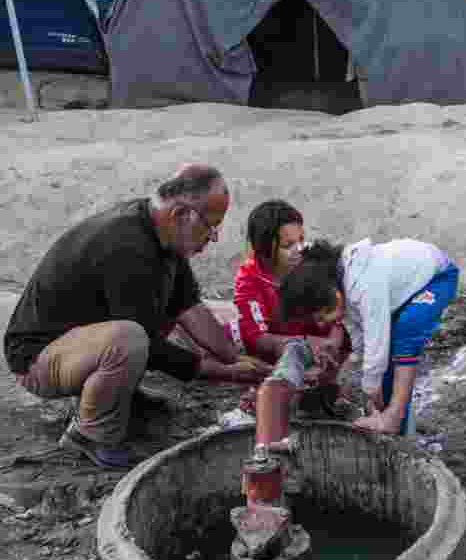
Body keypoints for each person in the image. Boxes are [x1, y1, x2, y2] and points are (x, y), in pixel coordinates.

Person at [3, 165, 273, 469]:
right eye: (212, 226)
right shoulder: (127, 246)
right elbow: (150, 347)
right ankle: (91, 433)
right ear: (181, 214)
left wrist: (232, 357)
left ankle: (115, 398)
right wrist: (226, 373)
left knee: (149, 325)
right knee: (131, 339)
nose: (214, 238)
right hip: (37, 358)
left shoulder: (162, 233)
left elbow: (190, 308)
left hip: (80, 345)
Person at [278, 238, 459, 435]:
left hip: (438, 277)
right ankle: (402, 427)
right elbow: (361, 342)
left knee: (406, 331)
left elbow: (376, 343)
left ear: (333, 296)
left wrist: (371, 389)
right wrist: (356, 381)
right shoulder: (341, 286)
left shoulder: (363, 284)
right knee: (386, 364)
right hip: (407, 290)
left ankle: (394, 418)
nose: (321, 324)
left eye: (321, 317)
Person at [229, 200, 350, 407]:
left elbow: (337, 319)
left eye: (301, 240)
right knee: (236, 333)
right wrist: (297, 346)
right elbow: (257, 337)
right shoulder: (249, 278)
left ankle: (326, 386)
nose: (298, 249)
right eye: (287, 245)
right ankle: (278, 386)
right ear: (263, 249)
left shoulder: (310, 266)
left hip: (322, 350)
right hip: (281, 351)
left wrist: (330, 346)